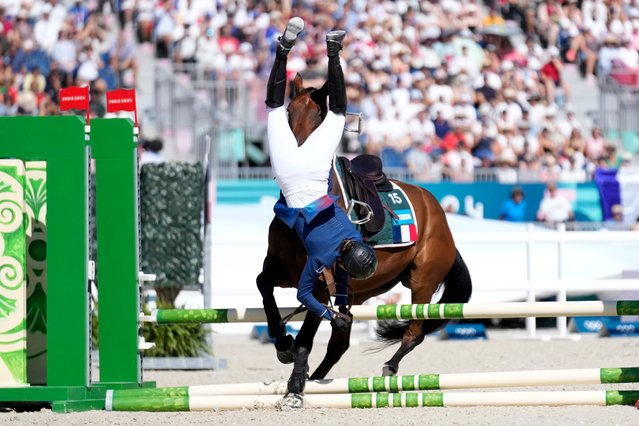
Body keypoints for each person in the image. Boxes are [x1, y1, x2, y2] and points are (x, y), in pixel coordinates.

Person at [264, 17, 377, 332]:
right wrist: (334, 312)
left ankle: (332, 52)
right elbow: (305, 294)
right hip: (289, 178)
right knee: (274, 108)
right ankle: (285, 51)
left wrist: (336, 308)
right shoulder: (320, 255)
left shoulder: (353, 235)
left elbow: (344, 265)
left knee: (336, 112)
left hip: (314, 174)